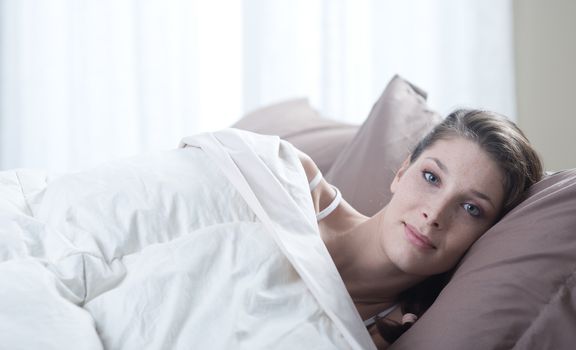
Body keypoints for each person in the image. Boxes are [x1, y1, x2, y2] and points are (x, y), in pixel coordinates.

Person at [296, 109, 543, 349]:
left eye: (471, 208)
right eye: (431, 177)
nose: (434, 214)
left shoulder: (387, 334)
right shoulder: (291, 180)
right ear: (402, 172)